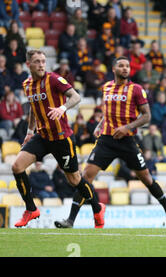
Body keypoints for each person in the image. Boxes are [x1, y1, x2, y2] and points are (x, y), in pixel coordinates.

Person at [54, 56, 166, 228]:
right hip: (106, 140)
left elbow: (146, 116)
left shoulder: (136, 89)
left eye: (127, 66)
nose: (125, 69)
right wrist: (100, 124)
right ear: (114, 69)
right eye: (121, 66)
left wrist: (127, 128)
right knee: (85, 177)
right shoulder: (106, 87)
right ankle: (70, 220)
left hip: (127, 140)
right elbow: (108, 112)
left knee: (146, 178)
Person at [11, 49, 104, 228]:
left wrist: (62, 108)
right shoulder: (27, 85)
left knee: (74, 180)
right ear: (28, 64)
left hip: (62, 138)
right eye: (37, 61)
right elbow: (33, 107)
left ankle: (97, 208)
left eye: (43, 61)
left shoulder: (53, 79)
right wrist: (30, 131)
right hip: (42, 136)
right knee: (17, 166)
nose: (41, 65)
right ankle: (31, 209)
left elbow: (75, 97)